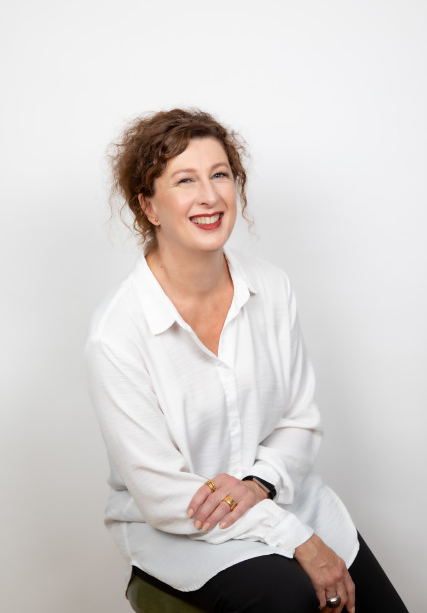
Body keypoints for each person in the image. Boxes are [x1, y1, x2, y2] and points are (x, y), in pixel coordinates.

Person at [85, 108, 408, 612]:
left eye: (220, 175)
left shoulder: (272, 288)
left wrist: (259, 485)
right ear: (149, 205)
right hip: (184, 529)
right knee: (291, 599)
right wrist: (297, 539)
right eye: (185, 180)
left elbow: (299, 421)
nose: (210, 196)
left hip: (283, 496)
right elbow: (162, 493)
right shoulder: (116, 335)